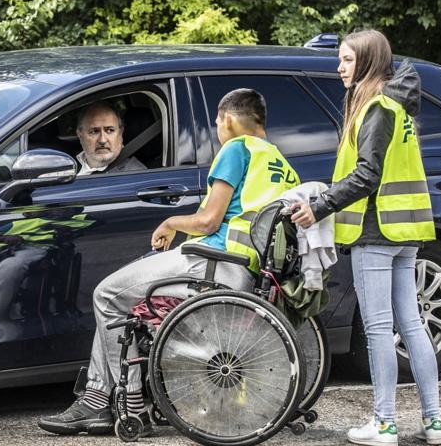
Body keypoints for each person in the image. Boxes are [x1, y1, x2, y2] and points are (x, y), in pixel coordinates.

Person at [37, 89, 300, 435]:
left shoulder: (237, 149)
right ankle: (98, 399)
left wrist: (171, 223)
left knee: (106, 295)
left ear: (227, 120)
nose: (217, 130)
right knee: (124, 294)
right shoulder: (279, 161)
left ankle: (127, 404)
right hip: (244, 269)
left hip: (213, 262)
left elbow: (208, 221)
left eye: (217, 122)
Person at [290, 29, 441, 446]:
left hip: (375, 230)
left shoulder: (375, 107)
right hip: (405, 230)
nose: (339, 68)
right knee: (411, 325)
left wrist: (319, 206)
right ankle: (434, 423)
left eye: (346, 59)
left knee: (378, 328)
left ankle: (385, 423)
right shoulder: (398, 107)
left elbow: (366, 175)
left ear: (368, 61)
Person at [74, 102, 147, 175]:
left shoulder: (135, 174)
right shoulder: (70, 161)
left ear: (120, 133)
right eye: (94, 132)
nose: (102, 140)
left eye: (110, 130)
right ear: (80, 135)